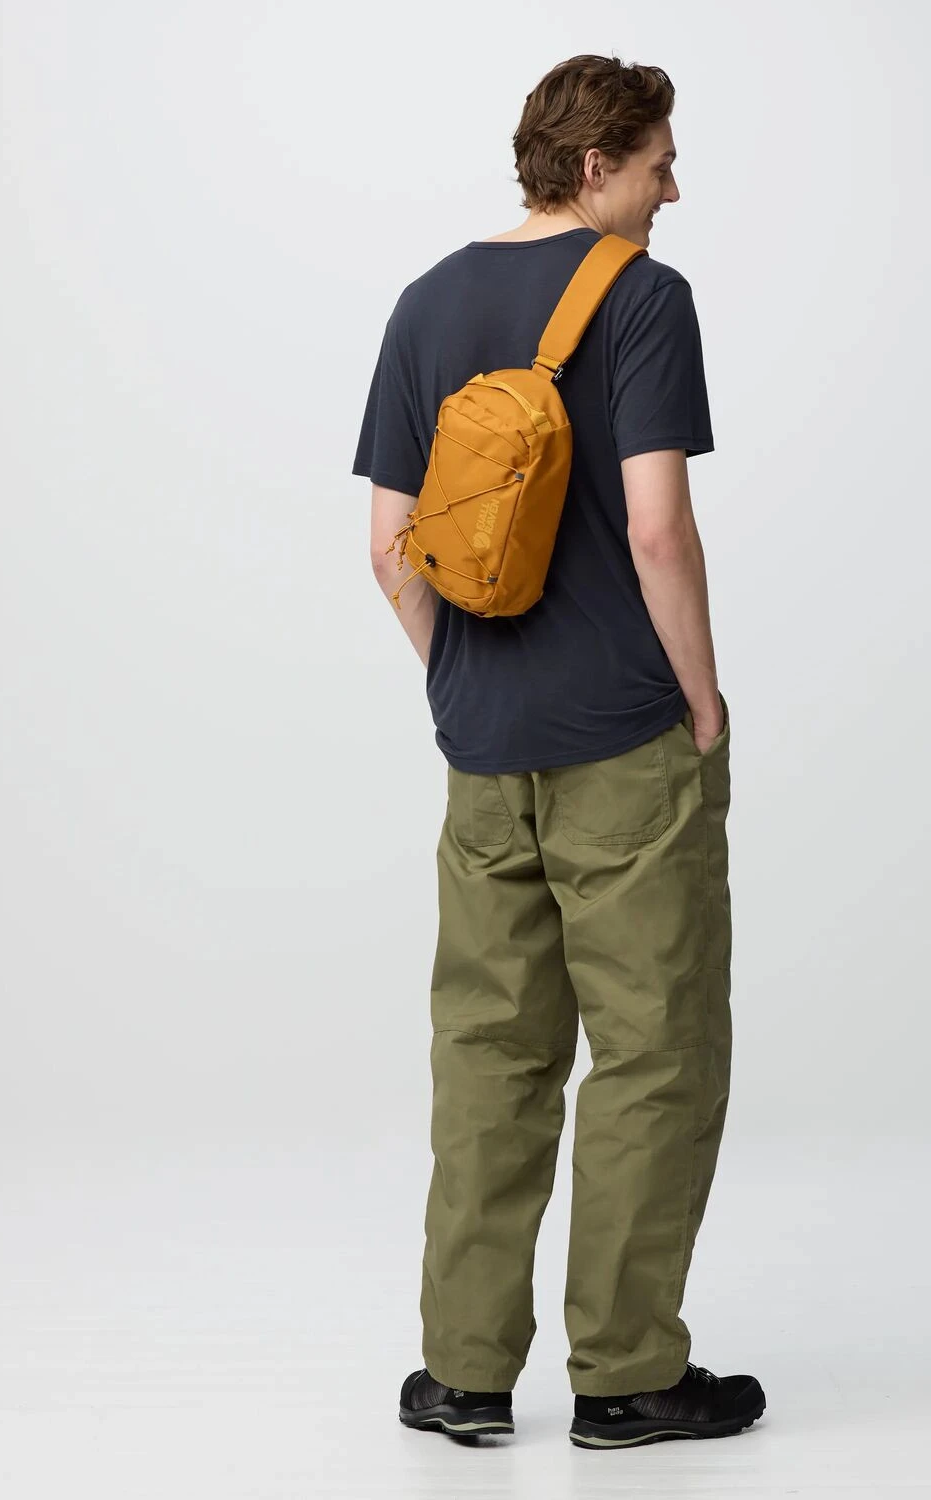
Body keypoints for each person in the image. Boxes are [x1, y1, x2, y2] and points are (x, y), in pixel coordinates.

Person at [352, 53, 764, 1450]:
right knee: (654, 1053)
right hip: (625, 745)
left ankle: (462, 1378)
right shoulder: (643, 298)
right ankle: (628, 1379)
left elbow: (390, 552)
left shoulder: (425, 302)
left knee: (490, 1054)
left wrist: (464, 687)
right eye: (658, 162)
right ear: (596, 167)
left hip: (483, 749)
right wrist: (701, 699)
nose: (672, 188)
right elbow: (658, 526)